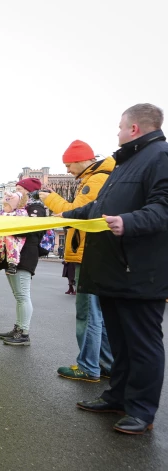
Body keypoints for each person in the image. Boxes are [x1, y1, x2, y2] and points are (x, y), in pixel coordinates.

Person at [61, 104, 168, 435]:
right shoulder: (125, 163)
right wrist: (62, 217)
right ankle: (118, 397)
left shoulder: (160, 156)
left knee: (142, 344)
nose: (117, 132)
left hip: (140, 271)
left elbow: (163, 207)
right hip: (115, 270)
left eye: (120, 127)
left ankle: (141, 410)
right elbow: (98, 207)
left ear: (134, 128)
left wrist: (128, 222)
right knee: (120, 342)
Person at [40, 140, 115, 382]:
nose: (69, 170)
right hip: (95, 252)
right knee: (99, 314)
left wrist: (50, 199)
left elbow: (77, 214)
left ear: (81, 161)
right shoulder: (100, 176)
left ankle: (88, 366)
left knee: (88, 313)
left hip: (88, 252)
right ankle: (104, 364)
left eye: (69, 165)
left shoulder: (95, 180)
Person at [0, 178, 46, 345]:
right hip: (14, 254)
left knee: (22, 295)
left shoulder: (36, 208)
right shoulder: (20, 208)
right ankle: (18, 328)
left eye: (19, 188)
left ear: (28, 191)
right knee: (18, 295)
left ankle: (24, 332)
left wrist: (10, 227)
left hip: (25, 254)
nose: (15, 191)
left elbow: (33, 231)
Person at [0, 191, 28, 275]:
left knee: (11, 244)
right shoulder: (3, 212)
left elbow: (20, 221)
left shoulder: (21, 212)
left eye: (6, 205)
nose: (4, 207)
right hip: (5, 235)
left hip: (16, 237)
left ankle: (12, 264)